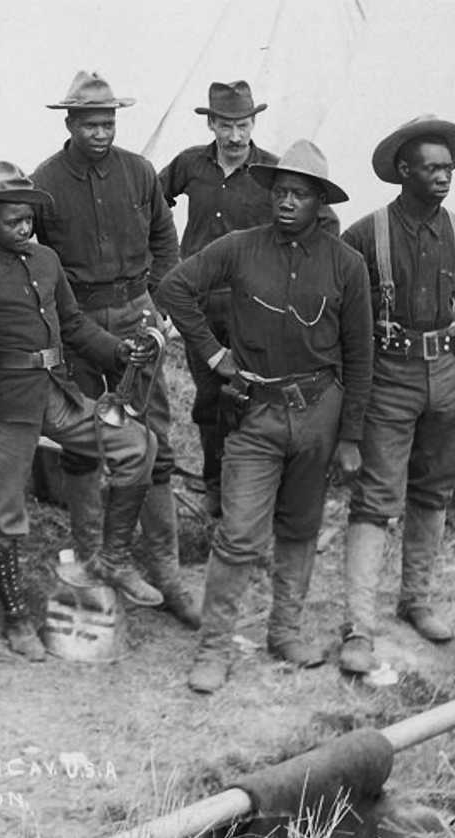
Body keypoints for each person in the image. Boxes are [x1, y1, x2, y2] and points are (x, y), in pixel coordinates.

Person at [0, 161, 160, 660]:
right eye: (12, 221)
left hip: (58, 393)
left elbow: (74, 325)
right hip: (7, 406)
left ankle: (112, 559)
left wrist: (117, 352)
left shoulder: (46, 260)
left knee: (138, 443)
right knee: (4, 511)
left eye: (28, 219)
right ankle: (17, 619)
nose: (23, 229)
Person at [157, 140, 373, 694]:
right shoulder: (239, 247)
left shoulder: (346, 265)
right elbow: (175, 287)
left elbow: (360, 354)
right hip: (256, 412)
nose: (287, 202)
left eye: (300, 194)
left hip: (320, 412)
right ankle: (213, 648)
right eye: (280, 191)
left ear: (320, 202)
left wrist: (350, 436)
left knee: (300, 526)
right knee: (239, 534)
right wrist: (216, 355)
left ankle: (285, 632)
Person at [29, 71, 195, 626]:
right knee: (85, 436)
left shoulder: (140, 172)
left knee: (153, 438)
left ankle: (165, 570)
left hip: (136, 311)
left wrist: (163, 301)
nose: (101, 133)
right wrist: (56, 325)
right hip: (77, 320)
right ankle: (92, 554)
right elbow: (37, 265)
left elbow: (164, 240)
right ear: (70, 123)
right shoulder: (45, 182)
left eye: (109, 122)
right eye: (90, 123)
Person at [336, 116, 455, 674]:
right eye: (431, 168)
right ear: (403, 172)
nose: (443, 177)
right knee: (376, 498)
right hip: (388, 378)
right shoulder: (362, 235)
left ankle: (417, 601)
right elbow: (342, 324)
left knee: (433, 492)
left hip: (450, 379)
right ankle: (359, 627)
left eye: (448, 168)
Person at [158, 81, 340, 518]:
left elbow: (327, 224)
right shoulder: (189, 165)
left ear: (254, 122)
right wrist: (162, 267)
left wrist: (291, 279)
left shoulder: (274, 173)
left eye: (243, 125)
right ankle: (215, 489)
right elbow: (149, 206)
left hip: (254, 308)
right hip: (200, 303)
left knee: (253, 397)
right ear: (212, 124)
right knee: (208, 399)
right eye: (226, 126)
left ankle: (258, 493)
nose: (235, 136)